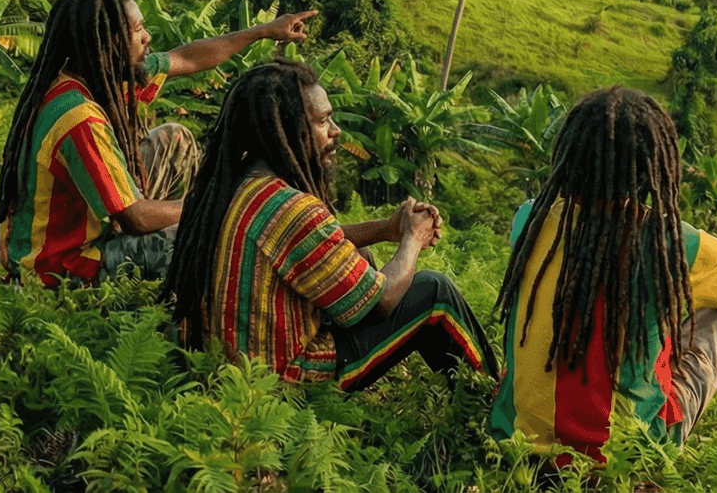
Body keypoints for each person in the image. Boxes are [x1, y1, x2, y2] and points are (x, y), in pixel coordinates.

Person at [491, 86, 717, 463]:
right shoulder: (669, 242)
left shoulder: (529, 220)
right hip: (624, 458)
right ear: (653, 169)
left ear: (570, 156)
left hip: (513, 447)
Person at [164, 59, 492, 389]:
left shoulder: (233, 187)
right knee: (435, 291)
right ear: (289, 129)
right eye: (323, 121)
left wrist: (385, 229)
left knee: (359, 252)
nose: (336, 130)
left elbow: (316, 242)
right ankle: (493, 402)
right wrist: (412, 239)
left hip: (221, 362)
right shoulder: (289, 207)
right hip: (282, 377)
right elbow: (384, 301)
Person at [0, 0, 317, 286]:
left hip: (84, 225)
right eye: (136, 30)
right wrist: (212, 202)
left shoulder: (97, 77)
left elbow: (187, 58)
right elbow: (136, 218)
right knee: (199, 233)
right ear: (107, 42)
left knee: (174, 139)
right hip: (61, 267)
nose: (147, 36)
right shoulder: (79, 119)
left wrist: (264, 31)